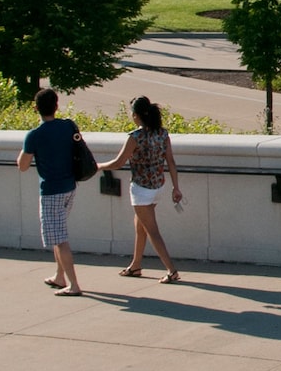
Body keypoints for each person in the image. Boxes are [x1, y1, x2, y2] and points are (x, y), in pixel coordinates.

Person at [98, 96, 183, 282]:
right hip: (158, 186)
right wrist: (176, 188)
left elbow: (119, 162)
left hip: (141, 189)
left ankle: (171, 270)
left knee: (152, 231)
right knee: (141, 226)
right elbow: (171, 161)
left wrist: (98, 166)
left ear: (136, 115)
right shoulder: (162, 134)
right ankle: (135, 265)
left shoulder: (135, 137)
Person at [16, 89, 86, 294]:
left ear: (36, 108)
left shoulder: (35, 135)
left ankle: (73, 285)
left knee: (59, 239)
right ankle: (59, 276)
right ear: (56, 106)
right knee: (59, 232)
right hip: (69, 186)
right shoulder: (67, 126)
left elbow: (23, 165)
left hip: (51, 191)